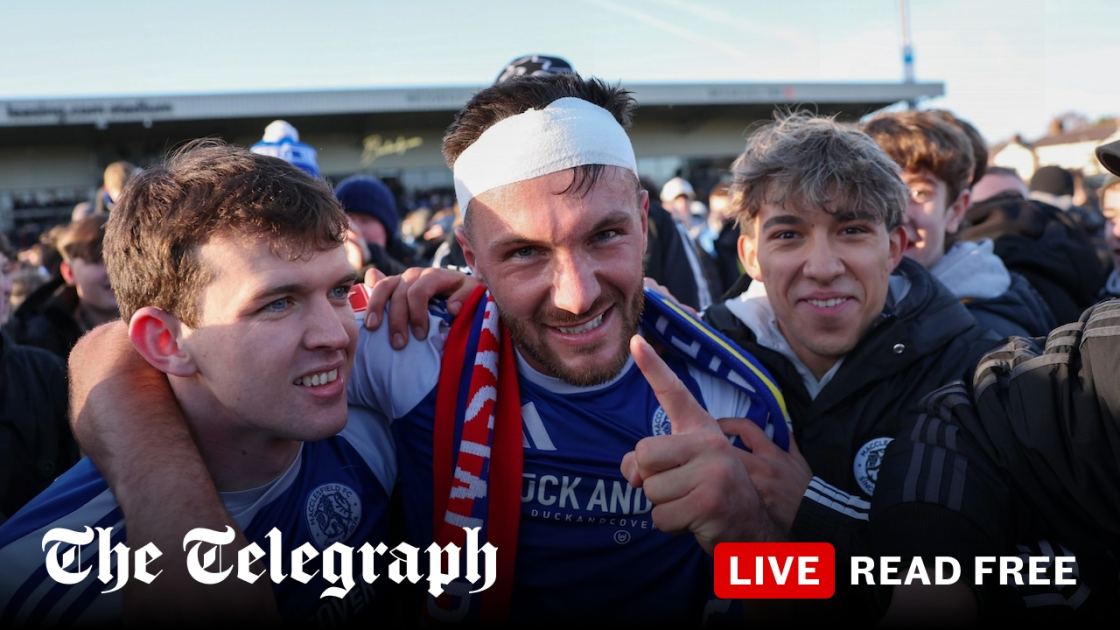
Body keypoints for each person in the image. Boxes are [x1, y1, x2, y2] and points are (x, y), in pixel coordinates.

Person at [65, 75, 784, 624]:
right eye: (525, 254)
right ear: (471, 255)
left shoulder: (731, 386)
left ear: (645, 220)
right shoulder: (413, 344)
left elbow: (831, 590)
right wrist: (187, 545)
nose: (575, 293)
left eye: (604, 235)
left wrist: (755, 541)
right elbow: (116, 351)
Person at [626, 112, 1003, 622]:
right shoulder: (694, 364)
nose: (823, 267)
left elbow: (988, 578)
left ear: (893, 247)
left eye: (851, 230)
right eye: (788, 235)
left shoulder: (974, 373)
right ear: (750, 255)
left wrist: (809, 513)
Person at [0, 140, 395, 625]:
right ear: (165, 341)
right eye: (277, 303)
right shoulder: (44, 578)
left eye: (338, 289)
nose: (336, 335)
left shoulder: (383, 414)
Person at [862, 111, 1054, 338]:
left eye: (919, 192)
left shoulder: (986, 336)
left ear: (956, 210)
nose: (900, 214)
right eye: (881, 190)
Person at [6, 215, 119, 362]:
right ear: (69, 273)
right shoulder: (40, 337)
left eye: (121, 258)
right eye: (97, 261)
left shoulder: (155, 318)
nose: (112, 270)